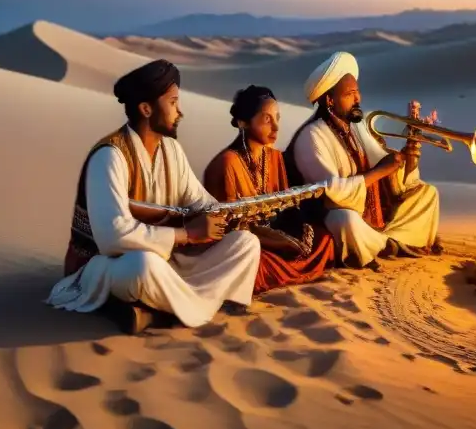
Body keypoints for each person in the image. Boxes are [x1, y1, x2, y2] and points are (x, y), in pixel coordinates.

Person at [46, 59, 261, 335]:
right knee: (143, 265)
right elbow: (112, 237)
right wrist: (188, 235)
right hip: (107, 265)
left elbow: (200, 201)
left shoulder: (171, 150)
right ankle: (192, 307)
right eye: (173, 103)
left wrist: (231, 215)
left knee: (246, 244)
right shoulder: (110, 156)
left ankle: (161, 311)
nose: (179, 112)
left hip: (166, 261)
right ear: (146, 109)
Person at [285, 51, 441, 269]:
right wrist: (379, 171)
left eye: (357, 92)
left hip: (372, 214)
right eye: (350, 94)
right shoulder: (311, 136)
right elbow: (332, 191)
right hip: (328, 215)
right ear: (330, 100)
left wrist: (410, 154)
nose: (358, 99)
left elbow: (388, 169)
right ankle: (388, 244)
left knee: (428, 194)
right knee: (345, 221)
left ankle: (384, 242)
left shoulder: (356, 127)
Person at [202, 85, 336, 294]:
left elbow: (284, 208)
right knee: (256, 264)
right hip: (243, 242)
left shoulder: (273, 157)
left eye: (277, 118)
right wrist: (278, 243)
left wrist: (296, 232)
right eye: (267, 119)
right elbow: (230, 229)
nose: (275, 127)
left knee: (324, 240)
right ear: (243, 122)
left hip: (272, 234)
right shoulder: (228, 163)